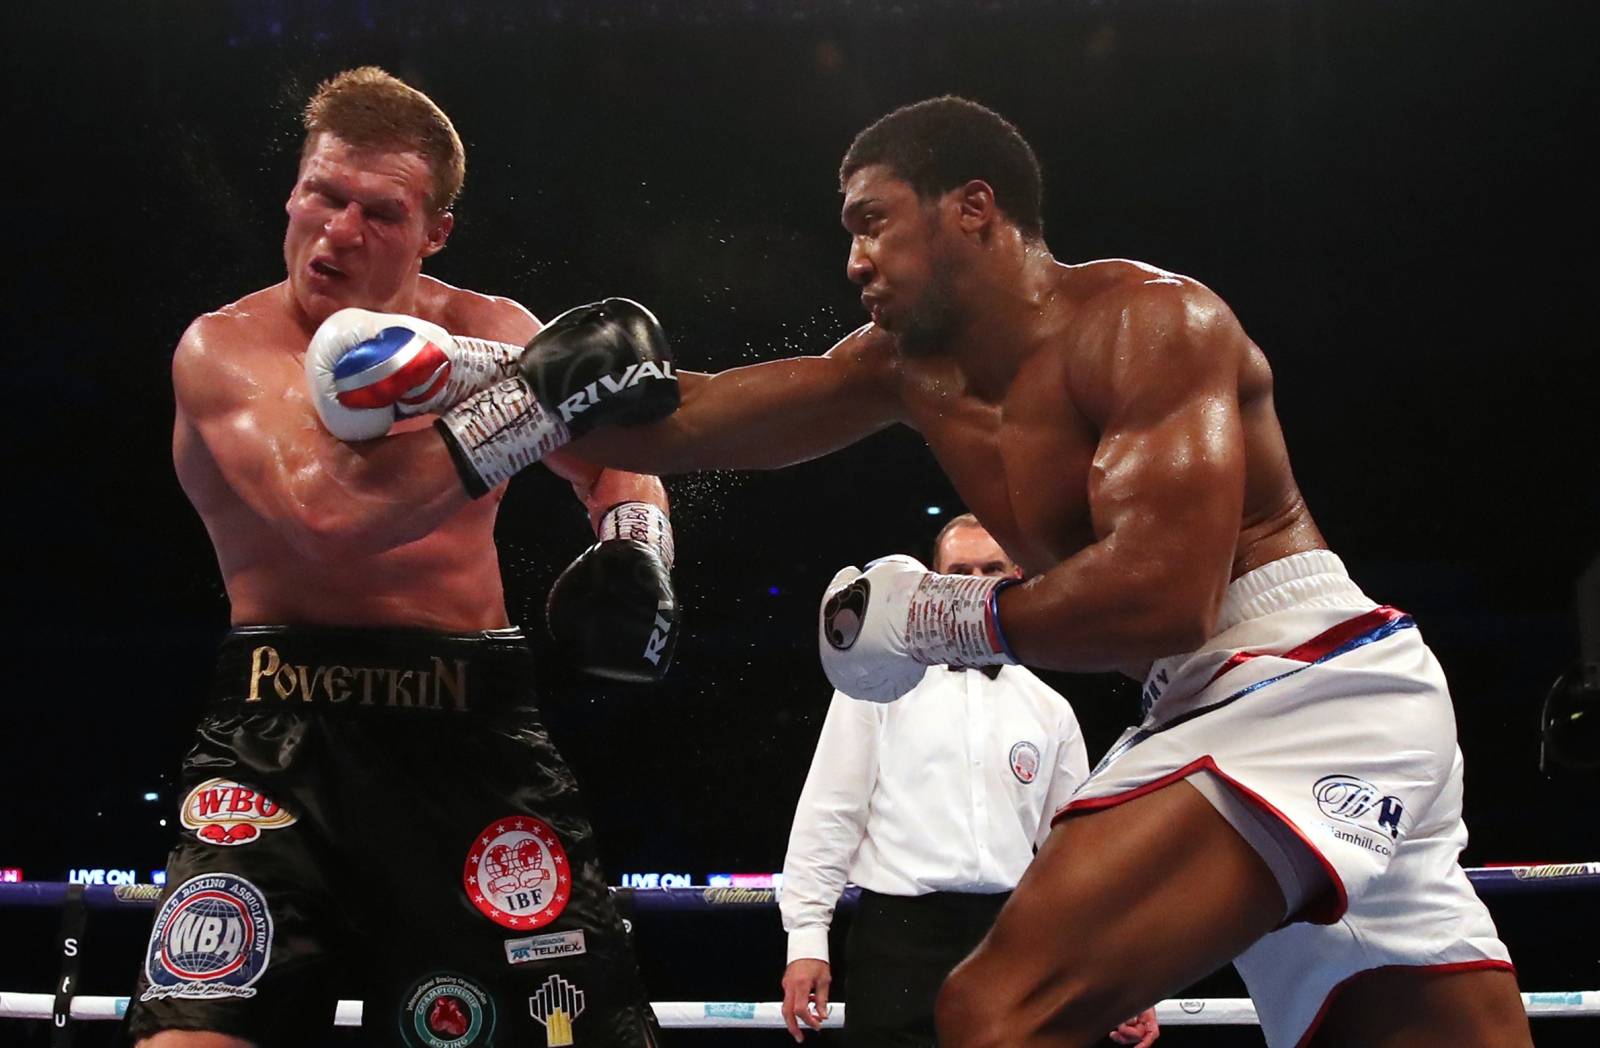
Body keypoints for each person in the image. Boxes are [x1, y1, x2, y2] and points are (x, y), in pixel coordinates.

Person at [528, 96, 1532, 1046]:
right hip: (1221, 693)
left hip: (1299, 672)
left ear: (972, 207)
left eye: (873, 222)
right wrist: (468, 377)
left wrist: (935, 616)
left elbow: (1166, 592)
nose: (853, 259)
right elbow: (691, 422)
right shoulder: (903, 370)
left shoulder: (1149, 322)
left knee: (1000, 1007)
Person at [129, 67, 676, 1047]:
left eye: (380, 211)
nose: (338, 231)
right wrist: (534, 401)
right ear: (293, 190)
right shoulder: (225, 349)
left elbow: (616, 465)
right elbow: (325, 513)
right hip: (277, 741)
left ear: (435, 233)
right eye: (321, 194)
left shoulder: (495, 330)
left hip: (473, 733)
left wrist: (637, 546)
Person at [779, 515, 1157, 1048]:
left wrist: (1117, 973)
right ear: (934, 582)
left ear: (1017, 578)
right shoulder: (879, 687)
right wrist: (806, 940)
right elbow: (830, 812)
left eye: (991, 568)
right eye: (959, 570)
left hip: (1011, 937)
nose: (974, 581)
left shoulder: (1050, 709)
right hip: (899, 939)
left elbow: (1074, 854)